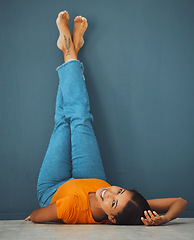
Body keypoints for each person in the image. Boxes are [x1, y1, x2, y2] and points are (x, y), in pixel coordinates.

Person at [24, 10, 187, 226]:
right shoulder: (128, 205)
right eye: (119, 191)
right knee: (81, 118)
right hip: (92, 179)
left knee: (63, 121)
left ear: (111, 218)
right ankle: (69, 49)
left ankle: (70, 48)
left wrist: (42, 214)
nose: (109, 194)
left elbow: (36, 216)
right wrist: (164, 218)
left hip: (54, 189)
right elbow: (180, 201)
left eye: (112, 203)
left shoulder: (71, 207)